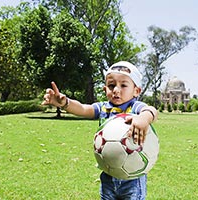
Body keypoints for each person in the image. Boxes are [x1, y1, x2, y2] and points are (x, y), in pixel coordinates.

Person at [42, 61, 158, 200]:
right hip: (108, 173)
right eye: (111, 85)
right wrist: (65, 103)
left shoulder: (136, 108)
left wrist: (144, 118)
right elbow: (84, 109)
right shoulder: (103, 108)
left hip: (133, 177)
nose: (116, 89)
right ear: (105, 89)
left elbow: (151, 110)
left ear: (136, 91)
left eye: (123, 85)